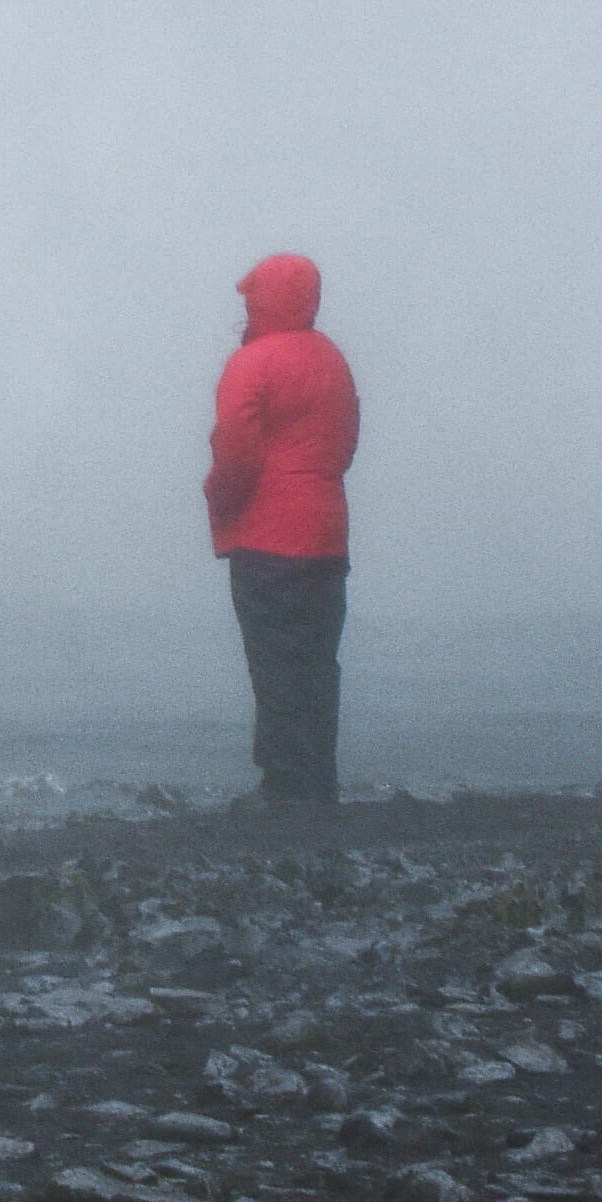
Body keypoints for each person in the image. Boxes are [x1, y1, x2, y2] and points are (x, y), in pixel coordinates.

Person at [204, 248, 357, 801]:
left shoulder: (251, 363)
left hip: (268, 534)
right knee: (317, 658)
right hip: (326, 530)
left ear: (262, 301)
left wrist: (218, 501)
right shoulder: (332, 360)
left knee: (273, 657)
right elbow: (345, 443)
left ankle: (283, 783)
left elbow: (237, 454)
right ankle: (317, 779)